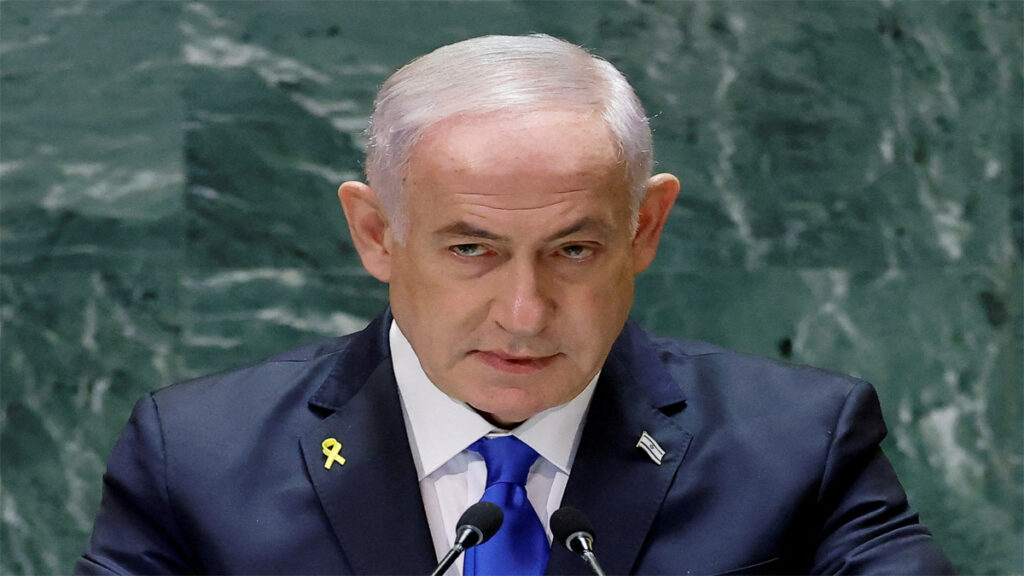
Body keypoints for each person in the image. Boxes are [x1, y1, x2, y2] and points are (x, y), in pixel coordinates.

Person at [76, 34, 954, 575]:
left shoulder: (801, 445)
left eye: (573, 250)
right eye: (472, 250)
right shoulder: (197, 456)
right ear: (376, 234)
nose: (525, 313)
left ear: (645, 228)